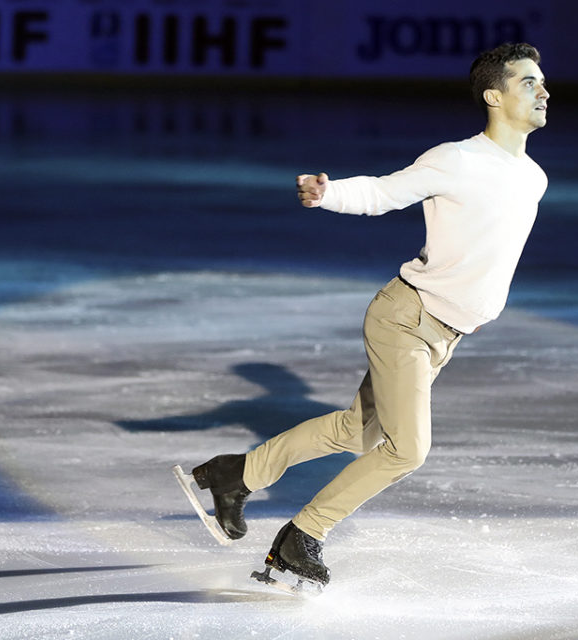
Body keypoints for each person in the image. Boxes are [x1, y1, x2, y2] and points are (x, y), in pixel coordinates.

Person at [190, 42, 549, 591]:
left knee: (355, 431)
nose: (543, 91)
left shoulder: (533, 176)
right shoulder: (458, 159)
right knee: (407, 450)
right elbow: (384, 192)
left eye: (542, 82)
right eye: (528, 82)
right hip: (406, 319)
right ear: (493, 96)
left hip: (444, 333)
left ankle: (235, 473)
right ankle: (304, 534)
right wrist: (329, 193)